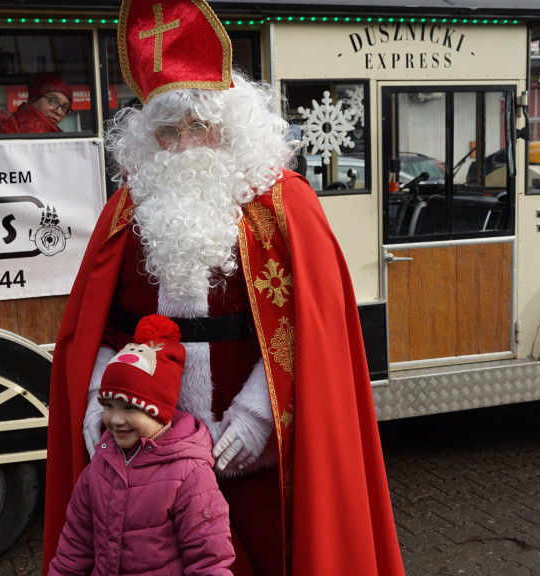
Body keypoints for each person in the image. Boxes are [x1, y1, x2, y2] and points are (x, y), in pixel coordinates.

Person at [43, 0, 406, 574]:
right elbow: (101, 327)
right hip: (152, 460)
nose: (184, 144)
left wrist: (258, 416)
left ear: (230, 124)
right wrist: (98, 399)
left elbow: (312, 329)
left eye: (198, 125)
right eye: (167, 130)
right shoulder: (128, 210)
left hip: (262, 458)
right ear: (148, 136)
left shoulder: (284, 205)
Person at [48, 314, 234, 576]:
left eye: (130, 408)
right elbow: (75, 546)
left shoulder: (190, 476)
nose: (115, 420)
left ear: (160, 411)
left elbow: (209, 561)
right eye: (108, 406)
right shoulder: (100, 465)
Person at [0, 73, 73, 134]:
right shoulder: (33, 126)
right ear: (35, 98)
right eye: (53, 101)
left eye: (64, 107)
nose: (58, 112)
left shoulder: (24, 119)